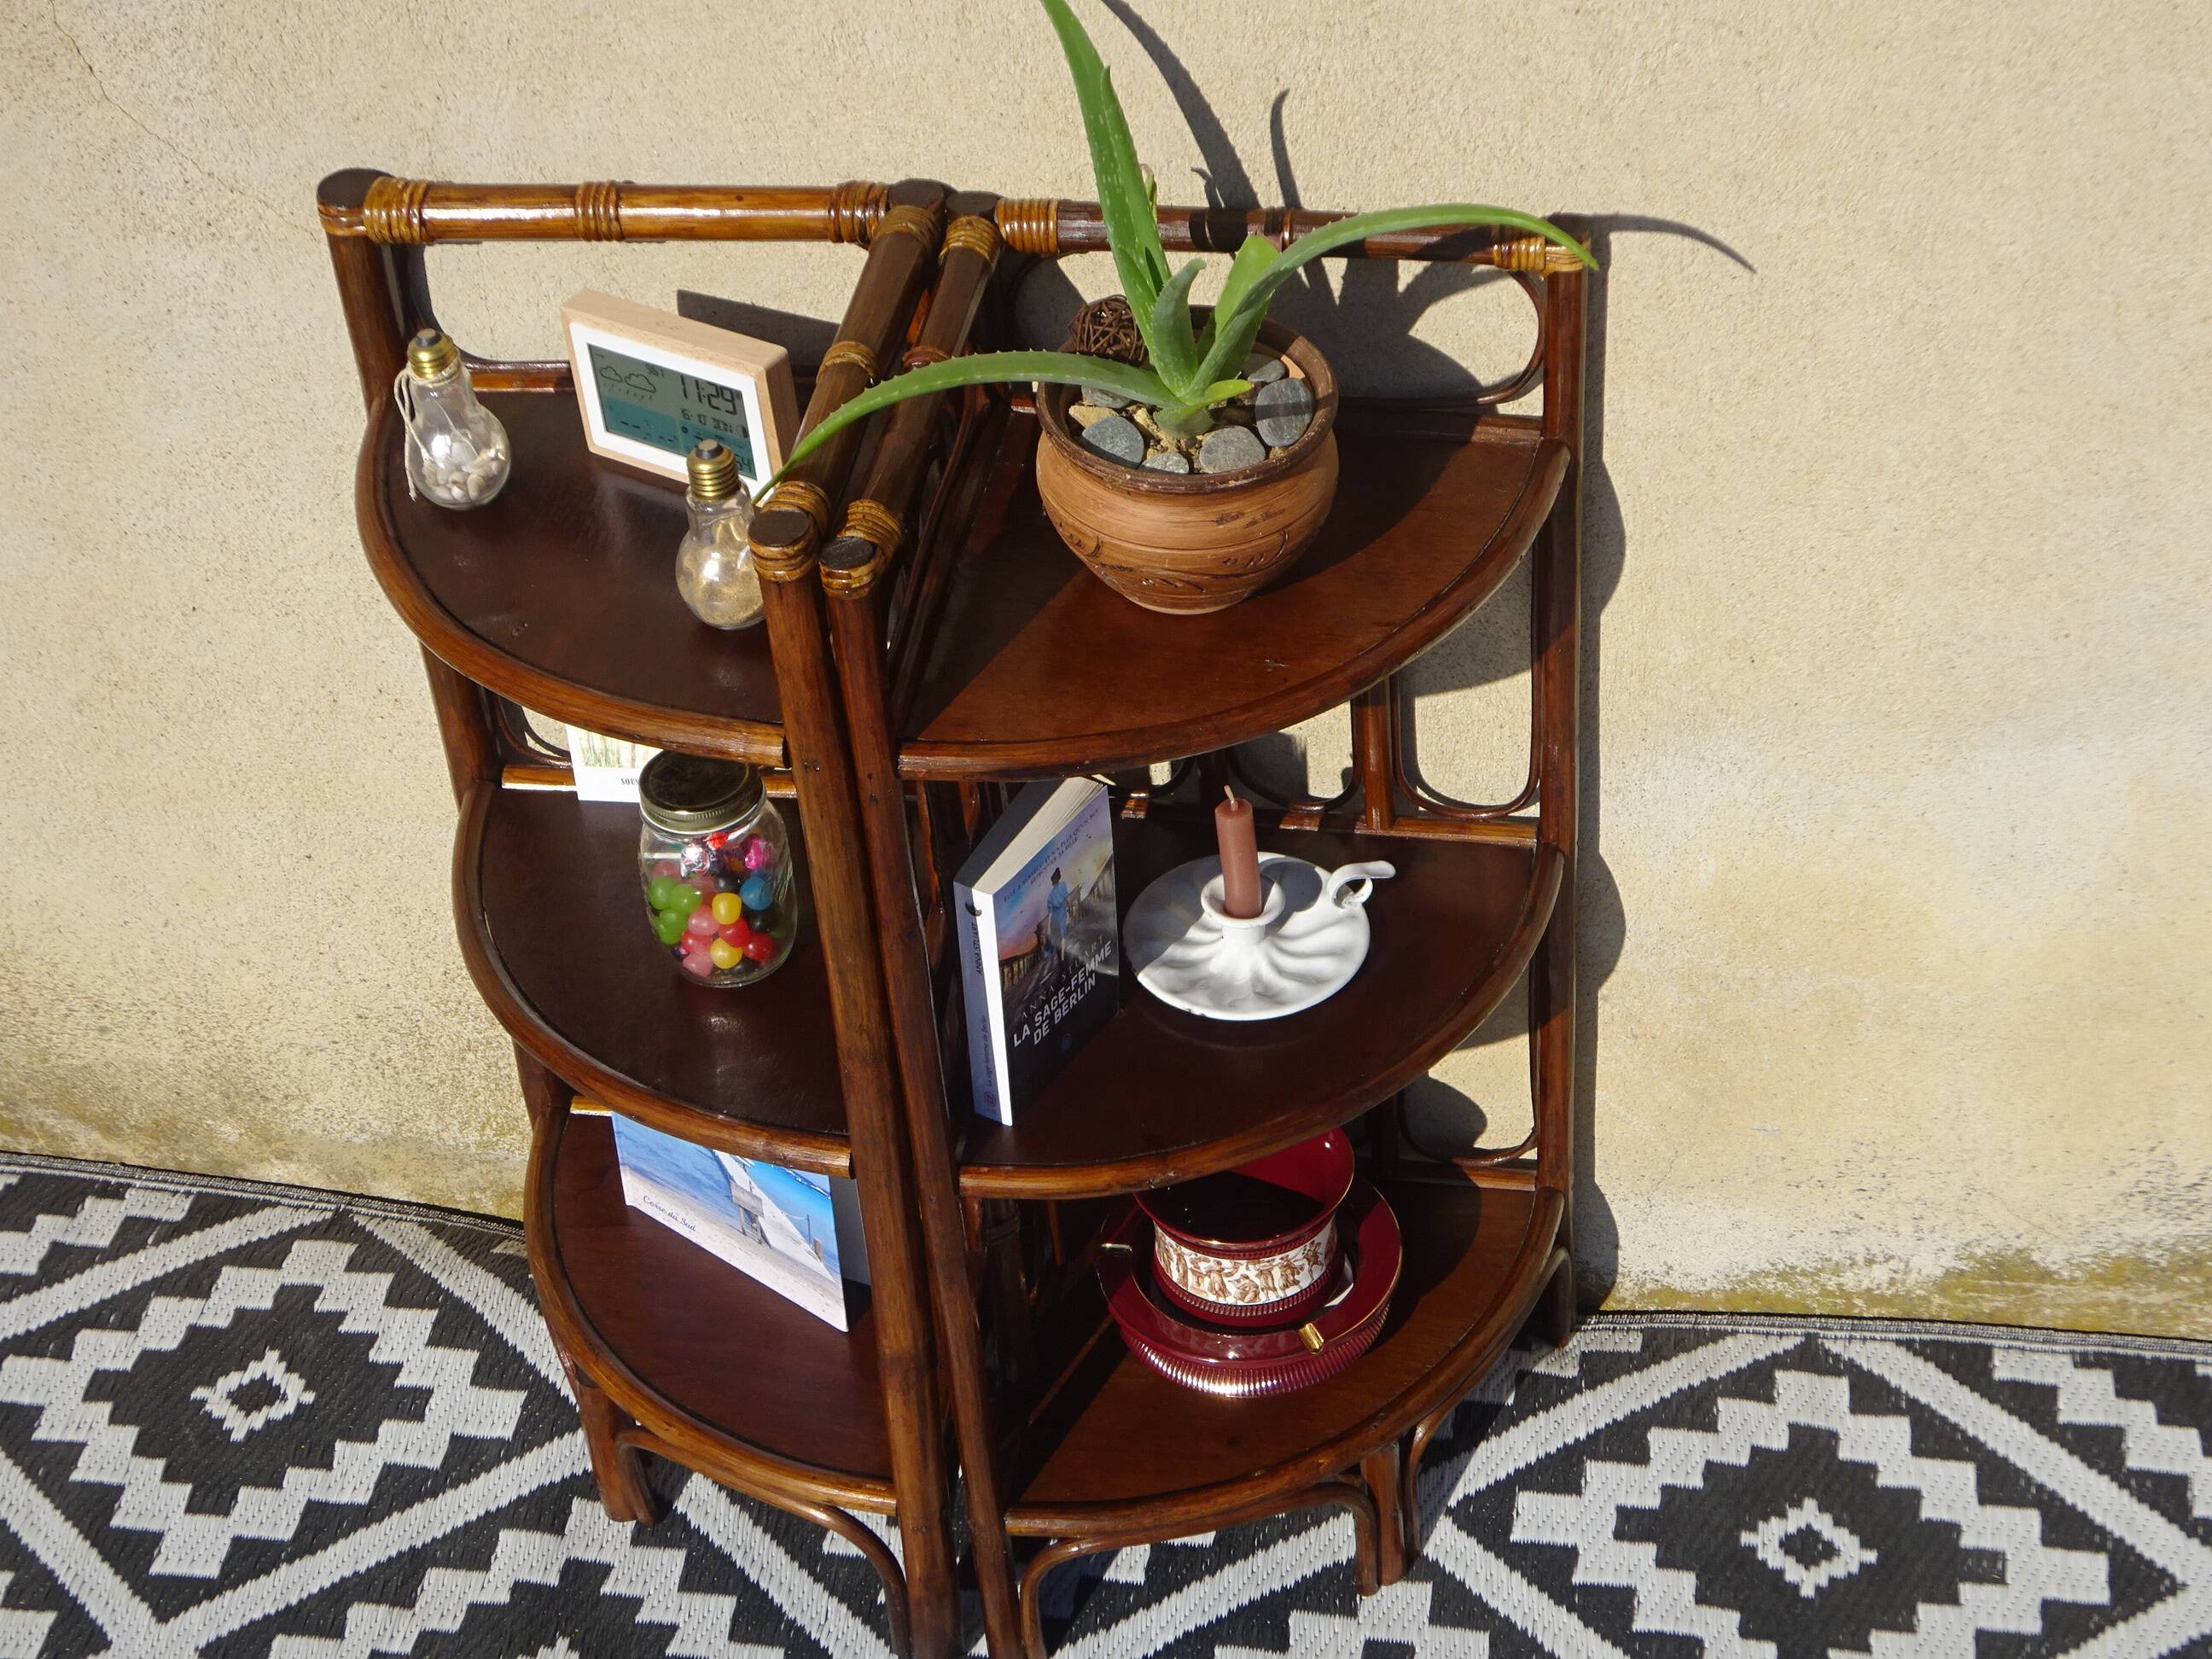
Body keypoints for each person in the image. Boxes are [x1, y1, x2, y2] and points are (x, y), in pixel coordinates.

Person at [1045, 866, 1069, 975]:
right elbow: (1066, 900)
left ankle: (1061, 958)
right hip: (1061, 915)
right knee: (1063, 936)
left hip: (1055, 918)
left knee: (1059, 938)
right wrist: (1068, 913)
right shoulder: (1063, 885)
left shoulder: (1050, 896)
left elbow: (1050, 913)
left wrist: (1049, 927)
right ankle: (1063, 958)